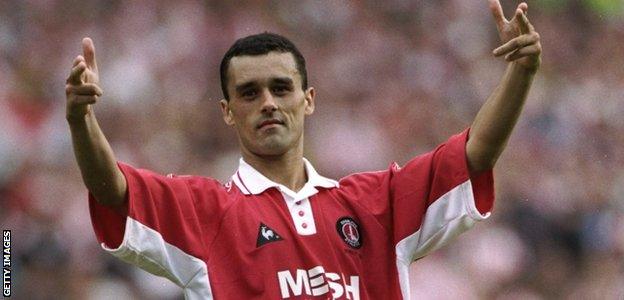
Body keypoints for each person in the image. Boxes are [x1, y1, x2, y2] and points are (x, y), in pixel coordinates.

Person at [65, 1, 541, 299]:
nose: (268, 103)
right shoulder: (205, 212)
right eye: (249, 93)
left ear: (308, 100)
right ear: (228, 111)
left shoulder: (377, 204)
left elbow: (473, 156)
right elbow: (114, 193)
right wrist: (82, 121)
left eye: (281, 88)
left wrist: (519, 73)